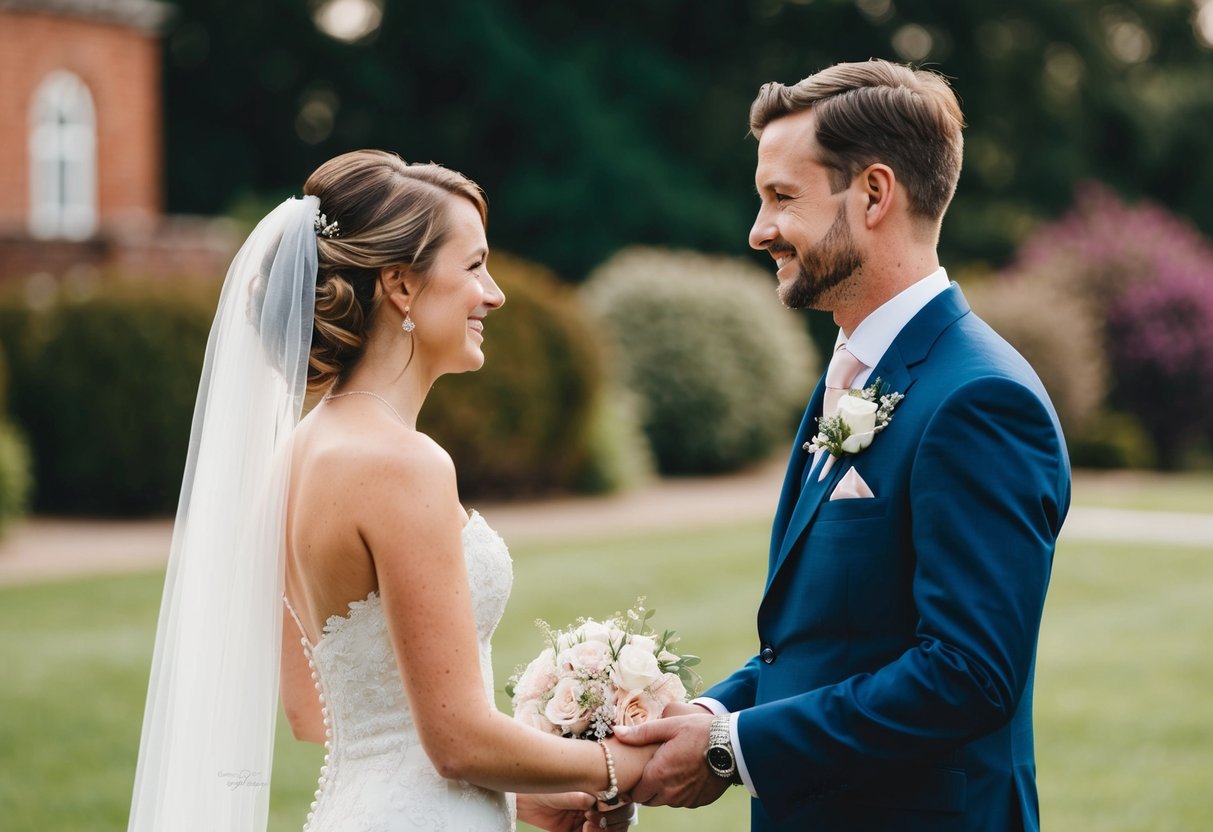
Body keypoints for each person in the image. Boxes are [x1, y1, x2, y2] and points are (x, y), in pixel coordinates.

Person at [127, 150, 647, 832]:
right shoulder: (404, 465)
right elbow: (456, 741)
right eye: (473, 267)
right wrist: (623, 766)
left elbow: (315, 714)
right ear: (401, 286)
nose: (493, 293)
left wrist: (524, 793)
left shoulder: (295, 455)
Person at [614, 60, 1070, 832]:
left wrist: (728, 749)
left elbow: (966, 676)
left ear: (872, 195)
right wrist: (701, 715)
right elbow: (827, 642)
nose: (757, 230)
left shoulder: (978, 399)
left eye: (780, 198)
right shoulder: (855, 373)